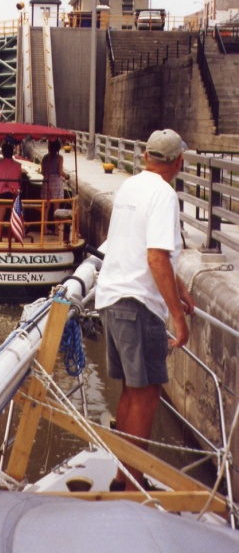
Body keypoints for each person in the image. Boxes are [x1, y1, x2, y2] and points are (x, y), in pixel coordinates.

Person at [95, 129, 195, 492]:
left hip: (111, 297)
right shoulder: (165, 195)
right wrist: (178, 318)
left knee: (129, 392)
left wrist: (178, 288)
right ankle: (134, 485)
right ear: (177, 162)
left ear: (146, 157)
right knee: (148, 393)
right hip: (136, 304)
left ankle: (123, 478)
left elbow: (143, 249)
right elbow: (155, 256)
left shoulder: (131, 187)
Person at [40, 139, 69, 233]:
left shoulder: (45, 157)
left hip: (46, 181)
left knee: (46, 207)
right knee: (56, 207)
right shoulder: (59, 158)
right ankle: (56, 229)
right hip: (56, 182)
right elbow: (60, 172)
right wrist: (67, 176)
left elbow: (43, 172)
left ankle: (44, 229)